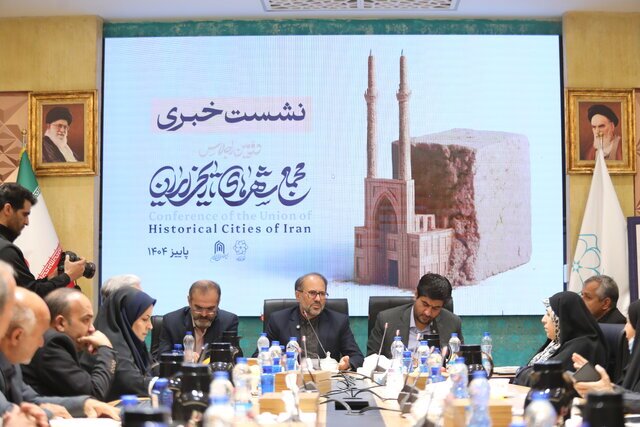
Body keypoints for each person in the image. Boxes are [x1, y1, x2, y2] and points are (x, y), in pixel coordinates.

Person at [0, 287, 119, 421]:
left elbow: (31, 399)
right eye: (38, 335)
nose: (41, 343)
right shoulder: (52, 343)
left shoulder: (11, 363)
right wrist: (47, 412)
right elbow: (6, 411)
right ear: (17, 336)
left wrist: (84, 403)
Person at [22, 288, 117, 400]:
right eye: (86, 320)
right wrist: (106, 350)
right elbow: (93, 394)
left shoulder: (53, 340)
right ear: (60, 323)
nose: (92, 329)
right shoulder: (52, 344)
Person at [262, 273, 364, 370]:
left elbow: (357, 357)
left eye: (322, 294)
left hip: (326, 379)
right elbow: (260, 355)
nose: (318, 299)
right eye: (312, 293)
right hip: (291, 377)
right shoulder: (278, 320)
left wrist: (347, 363)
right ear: (298, 295)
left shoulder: (338, 321)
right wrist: (277, 361)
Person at [0, 183, 87, 297]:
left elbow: (25, 285)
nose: (27, 222)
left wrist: (51, 278)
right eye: (24, 214)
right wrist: (68, 276)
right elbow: (32, 295)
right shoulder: (6, 250)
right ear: (8, 209)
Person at [513, 291, 607, 386]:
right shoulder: (556, 343)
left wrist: (521, 372)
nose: (543, 320)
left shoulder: (584, 345)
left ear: (564, 319)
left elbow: (545, 378)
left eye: (549, 315)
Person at [367, 273, 462, 359]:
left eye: (435, 308)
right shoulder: (386, 319)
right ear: (416, 295)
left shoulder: (452, 323)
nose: (428, 312)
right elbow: (371, 360)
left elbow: (459, 359)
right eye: (425, 304)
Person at [94, 286, 155, 401]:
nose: (150, 326)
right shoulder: (108, 342)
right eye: (144, 319)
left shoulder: (133, 342)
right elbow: (130, 382)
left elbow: (152, 368)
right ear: (126, 317)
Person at [154, 280, 239, 360]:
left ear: (218, 303)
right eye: (198, 308)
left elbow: (234, 358)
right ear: (189, 301)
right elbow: (161, 357)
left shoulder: (228, 321)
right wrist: (183, 357)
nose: (204, 314)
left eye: (210, 309)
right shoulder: (171, 321)